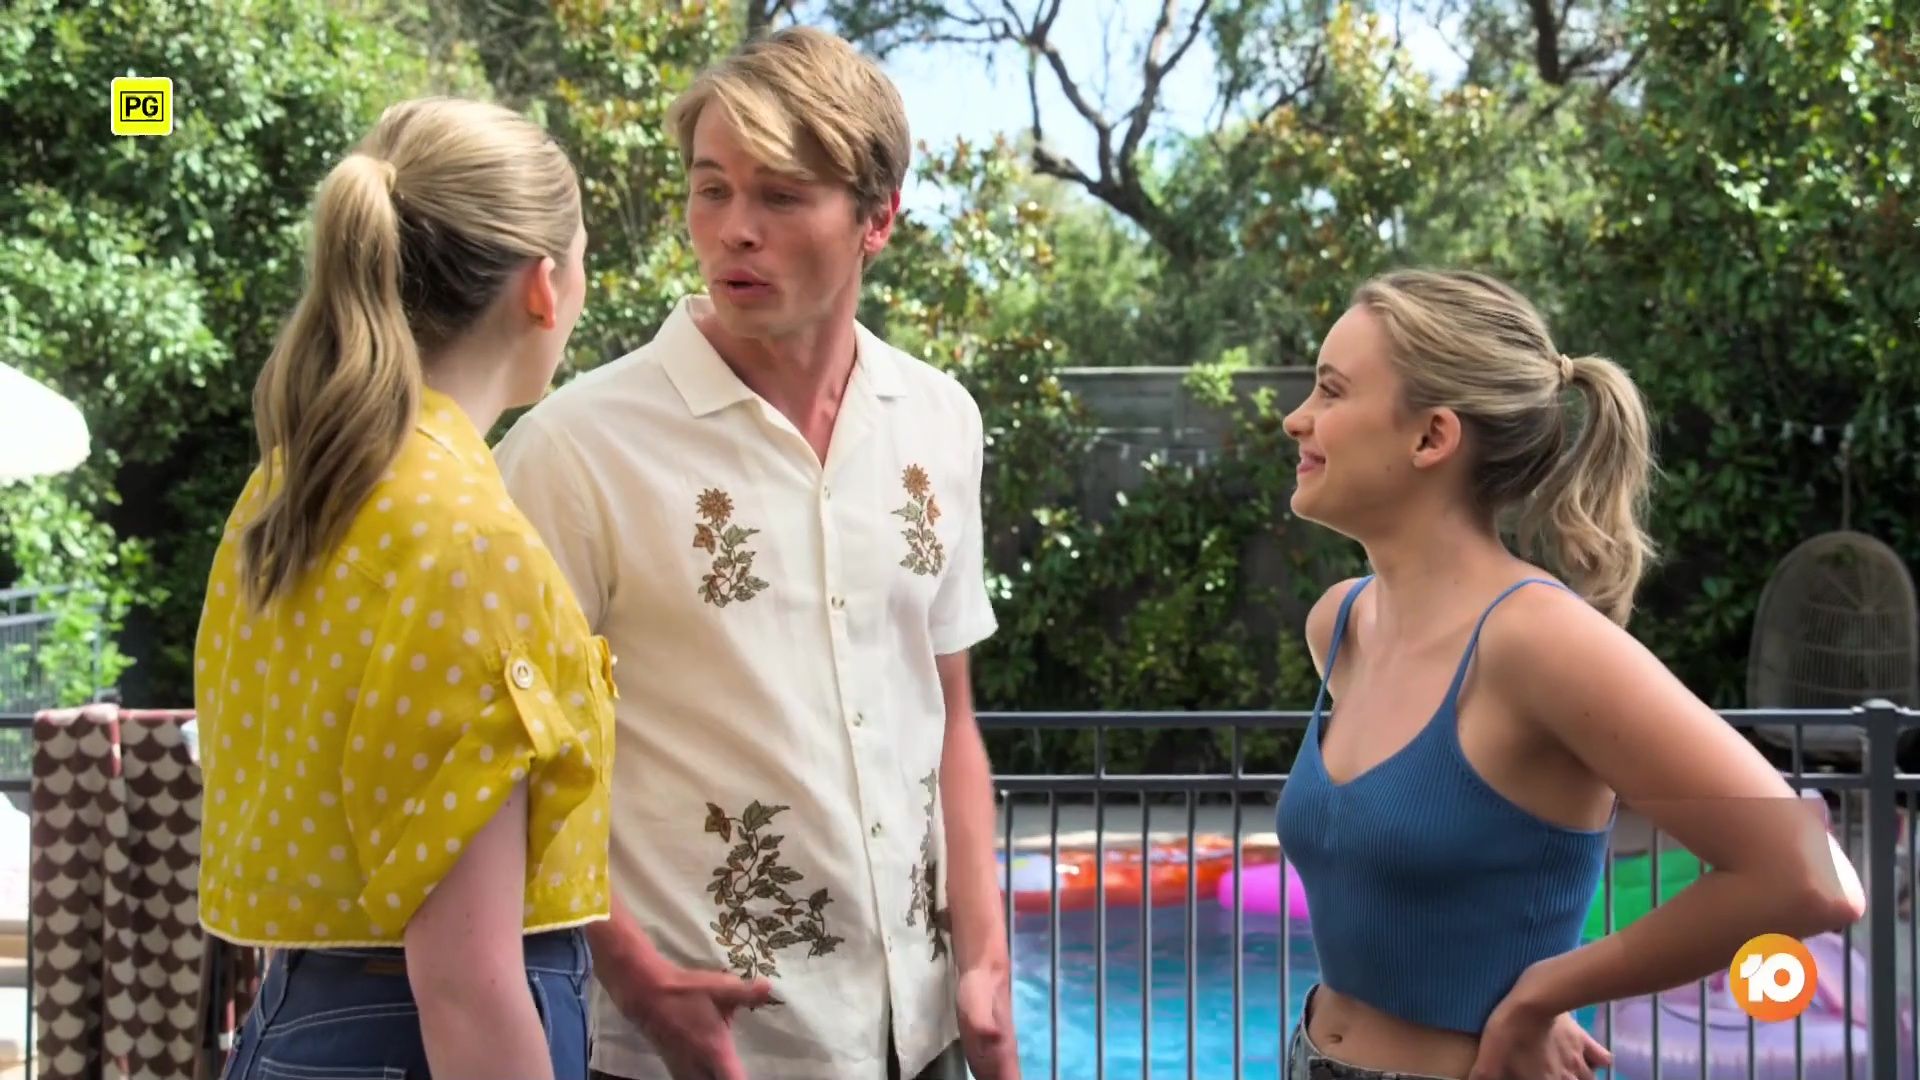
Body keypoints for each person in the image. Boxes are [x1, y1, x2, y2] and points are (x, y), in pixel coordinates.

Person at [491, 26, 1017, 1080]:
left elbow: (948, 711)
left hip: (925, 1039)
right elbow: (508, 763)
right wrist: (637, 977)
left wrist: (986, 964)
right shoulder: (574, 449)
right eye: (712, 189)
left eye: (781, 195)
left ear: (877, 219)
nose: (735, 229)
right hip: (692, 1048)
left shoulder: (941, 420)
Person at [1274, 268, 1866, 1080]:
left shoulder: (1537, 641)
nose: (1296, 417)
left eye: (1331, 390)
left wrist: (1543, 995)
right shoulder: (1341, 626)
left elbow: (1811, 877)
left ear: (1431, 437)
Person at [193, 96, 615, 1080]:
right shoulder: (467, 536)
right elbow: (467, 984)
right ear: (544, 287)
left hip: (298, 1020)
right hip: (418, 1039)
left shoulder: (297, 483)